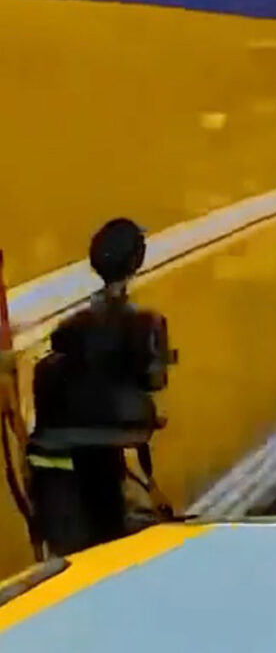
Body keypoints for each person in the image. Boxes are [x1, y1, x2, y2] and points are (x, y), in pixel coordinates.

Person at [27, 219, 174, 556]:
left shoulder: (69, 330)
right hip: (105, 458)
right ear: (137, 262)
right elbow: (153, 382)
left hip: (57, 464)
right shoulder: (146, 325)